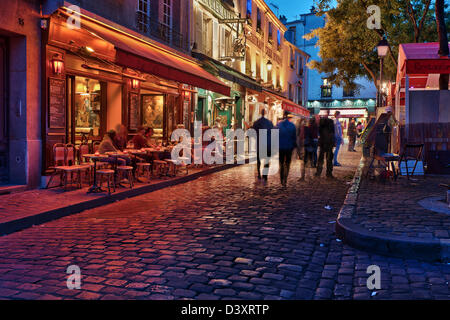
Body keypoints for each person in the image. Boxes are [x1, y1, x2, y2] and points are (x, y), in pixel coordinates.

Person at [252, 108, 274, 181]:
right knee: (267, 160)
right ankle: (265, 175)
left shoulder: (257, 122)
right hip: (267, 144)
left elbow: (253, 132)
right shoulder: (269, 122)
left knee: (258, 160)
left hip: (259, 143)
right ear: (266, 113)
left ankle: (259, 174)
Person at [277, 111, 297, 186]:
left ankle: (282, 178)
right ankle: (285, 178)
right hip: (289, 147)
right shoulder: (292, 125)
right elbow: (294, 137)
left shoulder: (279, 125)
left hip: (281, 147)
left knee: (281, 163)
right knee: (288, 163)